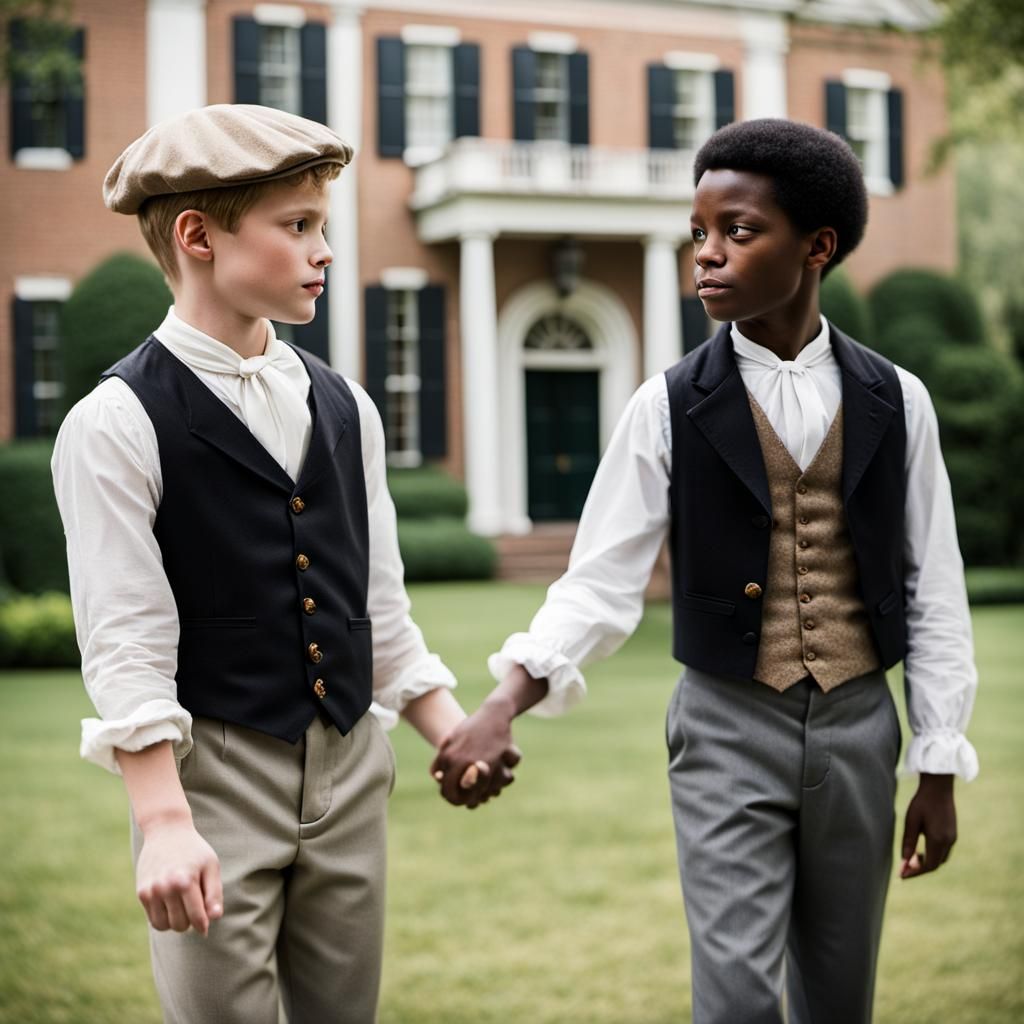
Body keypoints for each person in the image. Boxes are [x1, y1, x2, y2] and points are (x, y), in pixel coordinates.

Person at [432, 118, 979, 1023]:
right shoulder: (666, 404)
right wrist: (503, 702)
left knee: (841, 998)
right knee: (733, 1003)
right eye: (698, 233)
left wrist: (938, 763)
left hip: (860, 730)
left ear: (817, 248)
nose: (707, 254)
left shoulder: (898, 398)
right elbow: (600, 582)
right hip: (726, 729)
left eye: (738, 230)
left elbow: (935, 591)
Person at [52, 103, 516, 1024]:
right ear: (198, 237)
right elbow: (126, 639)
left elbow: (373, 606)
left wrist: (449, 731)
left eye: (322, 226)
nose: (324, 252)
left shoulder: (347, 405)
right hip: (213, 778)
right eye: (297, 226)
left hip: (352, 767)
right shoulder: (114, 423)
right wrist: (165, 822)